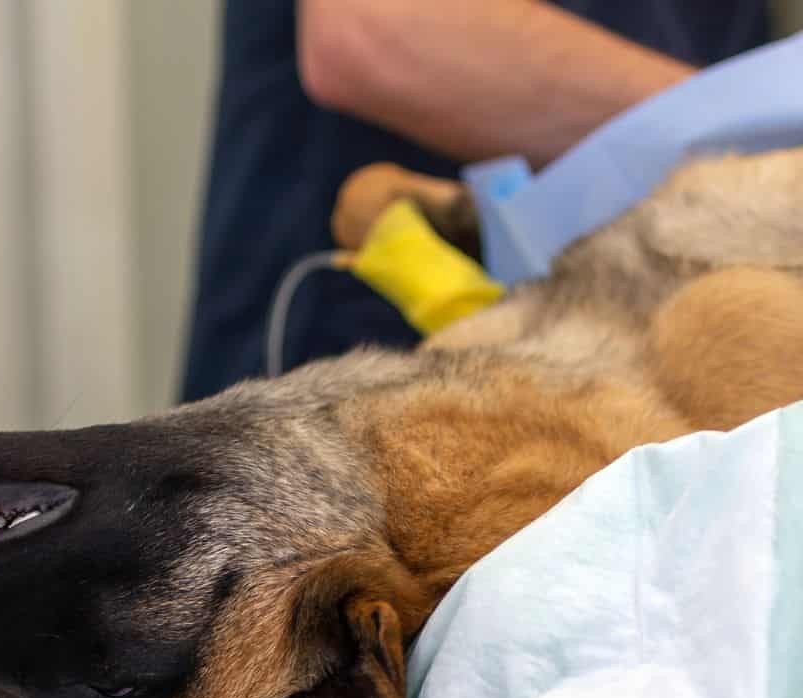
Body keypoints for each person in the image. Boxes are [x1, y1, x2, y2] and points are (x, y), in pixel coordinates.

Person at [179, 0, 771, 402]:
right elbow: (378, 28)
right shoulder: (765, 130)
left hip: (617, 360)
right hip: (359, 353)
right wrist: (769, 126)